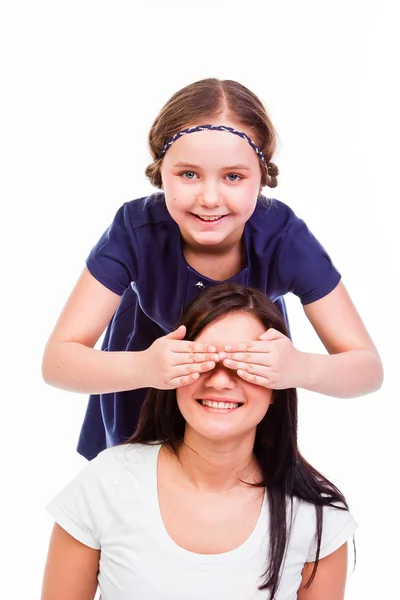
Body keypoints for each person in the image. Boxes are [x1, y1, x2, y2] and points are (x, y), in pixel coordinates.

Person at [41, 78, 383, 461]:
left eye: (233, 177)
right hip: (144, 385)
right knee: (136, 494)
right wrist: (143, 366)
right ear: (160, 171)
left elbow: (367, 368)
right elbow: (58, 361)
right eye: (188, 174)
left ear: (262, 176)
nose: (209, 198)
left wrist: (299, 367)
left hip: (238, 399)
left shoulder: (284, 239)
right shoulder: (135, 230)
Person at [41, 284, 357, 600]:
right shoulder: (105, 484)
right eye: (202, 359)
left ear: (278, 384)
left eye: (247, 363)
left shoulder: (317, 516)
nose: (220, 381)